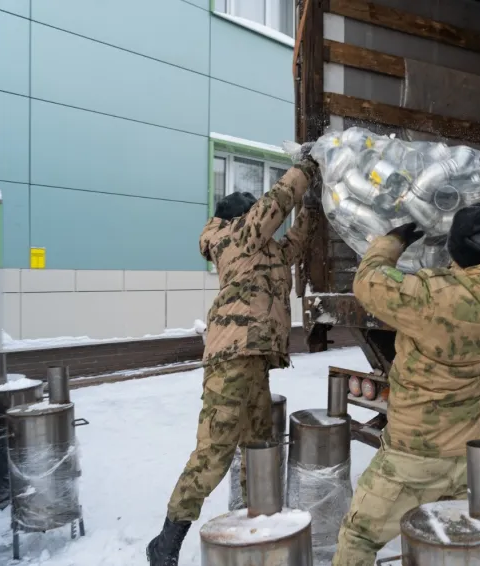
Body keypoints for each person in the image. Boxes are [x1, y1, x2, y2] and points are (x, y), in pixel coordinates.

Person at [332, 198, 480, 565]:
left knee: (359, 536)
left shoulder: (429, 297)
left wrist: (392, 240)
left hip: (413, 457)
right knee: (446, 544)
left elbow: (368, 280)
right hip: (468, 456)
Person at [147, 151, 322, 566]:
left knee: (260, 445)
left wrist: (314, 206)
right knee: (214, 451)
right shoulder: (234, 238)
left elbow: (295, 243)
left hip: (256, 360)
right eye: (256, 216)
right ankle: (166, 541)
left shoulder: (264, 251)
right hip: (231, 357)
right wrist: (308, 169)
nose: (265, 224)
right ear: (241, 218)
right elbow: (277, 202)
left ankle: (255, 522)